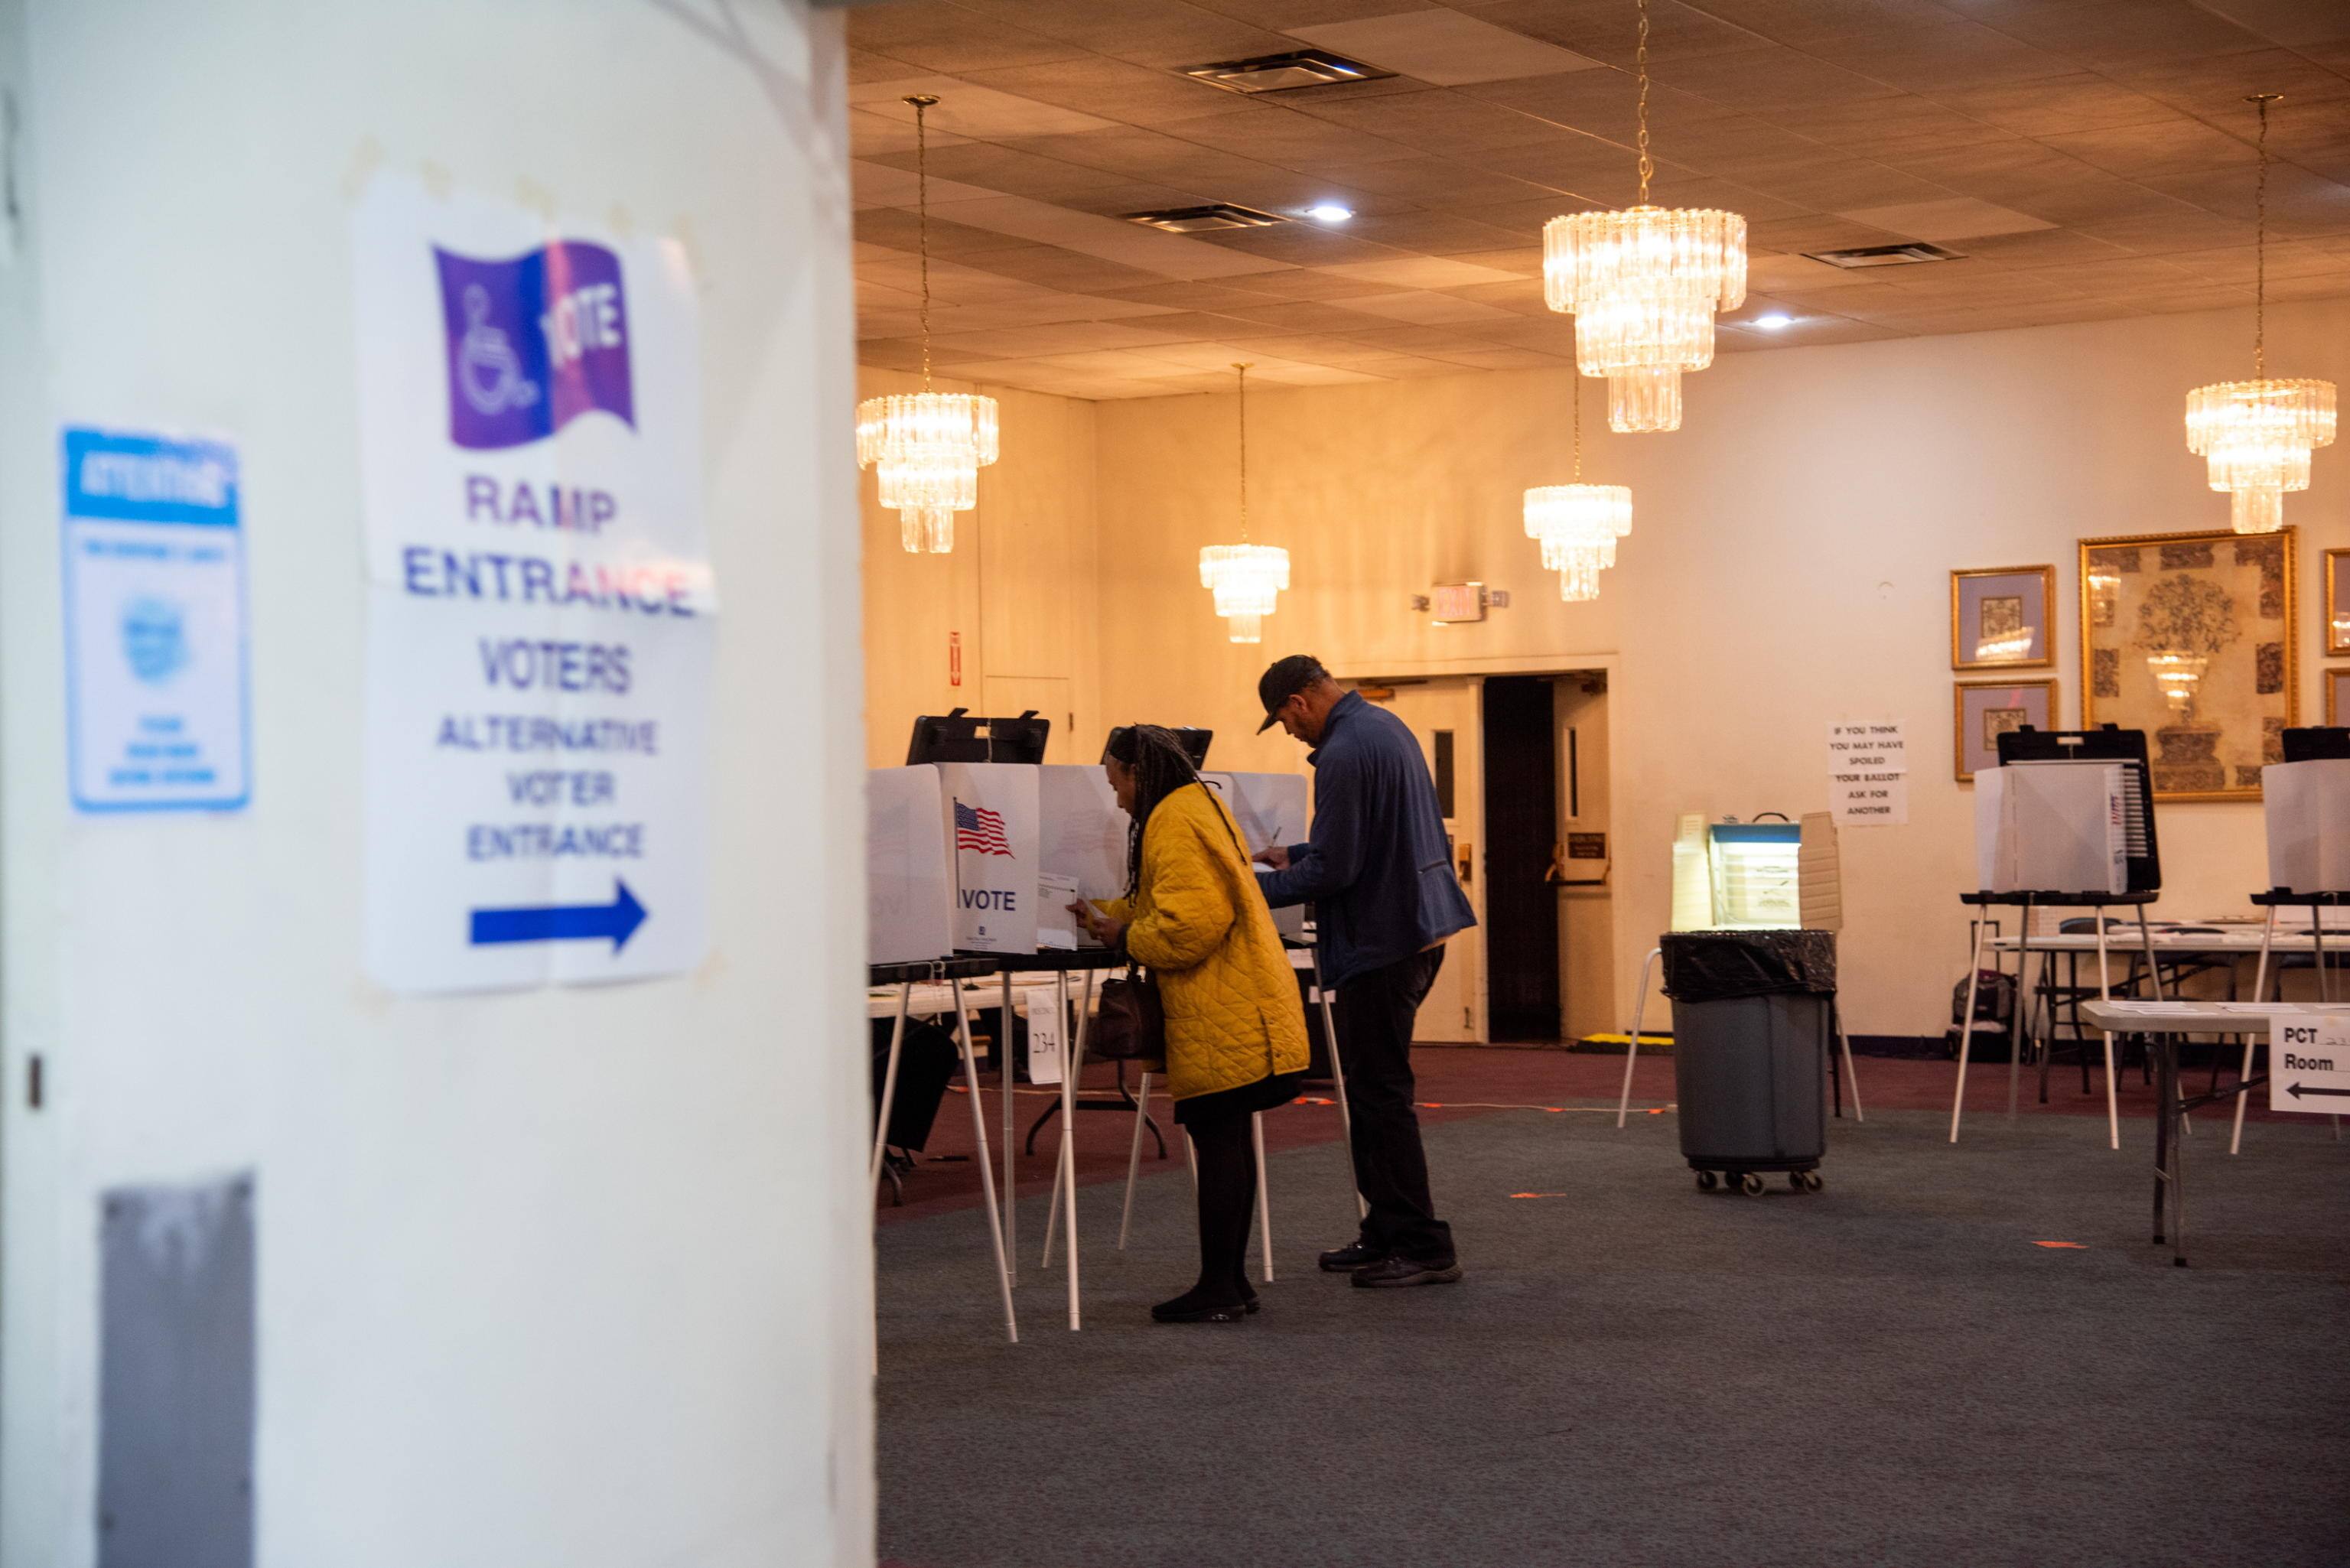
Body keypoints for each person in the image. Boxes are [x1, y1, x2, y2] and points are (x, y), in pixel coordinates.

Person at [1074, 724, 1310, 1324]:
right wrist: (1105, 914)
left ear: (1137, 772)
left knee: (1219, 1141)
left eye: (1117, 782)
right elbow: (1172, 899)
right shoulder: (1196, 803)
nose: (1118, 798)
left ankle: (1221, 1288)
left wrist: (1125, 935)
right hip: (1241, 1000)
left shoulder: (1171, 820)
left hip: (1221, 1007)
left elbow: (1187, 927)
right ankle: (1229, 1283)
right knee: (1228, 1141)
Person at [1252, 656, 1475, 1289]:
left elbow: (1337, 871)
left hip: (1383, 937)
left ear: (1299, 702)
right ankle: (1384, 1232)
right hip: (1416, 927)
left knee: (1379, 1096)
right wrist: (1293, 853)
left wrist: (1253, 888)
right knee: (1376, 1091)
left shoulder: (1345, 752)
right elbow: (1363, 842)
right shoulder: (1384, 728)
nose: (1292, 734)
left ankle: (1421, 1244)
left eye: (1285, 722)